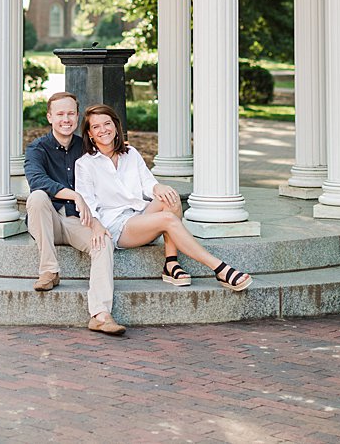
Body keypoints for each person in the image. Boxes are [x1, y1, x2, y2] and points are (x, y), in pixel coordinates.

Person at [73, 103, 252, 292]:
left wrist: (159, 186)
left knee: (170, 197)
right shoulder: (85, 164)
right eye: (96, 127)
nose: (103, 130)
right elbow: (87, 204)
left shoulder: (130, 154)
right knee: (168, 219)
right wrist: (96, 226)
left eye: (107, 123)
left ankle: (171, 263)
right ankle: (219, 268)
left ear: (116, 126)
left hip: (139, 215)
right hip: (116, 226)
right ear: (90, 134)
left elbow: (148, 183)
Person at [24, 91, 124, 335]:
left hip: (79, 221)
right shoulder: (38, 149)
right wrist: (74, 194)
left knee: (103, 242)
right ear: (50, 117)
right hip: (48, 221)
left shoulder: (87, 147)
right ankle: (49, 270)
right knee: (37, 197)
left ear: (77, 116)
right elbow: (37, 181)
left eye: (70, 113)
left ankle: (100, 314)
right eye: (60, 114)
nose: (65, 119)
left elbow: (111, 167)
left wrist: (121, 149)